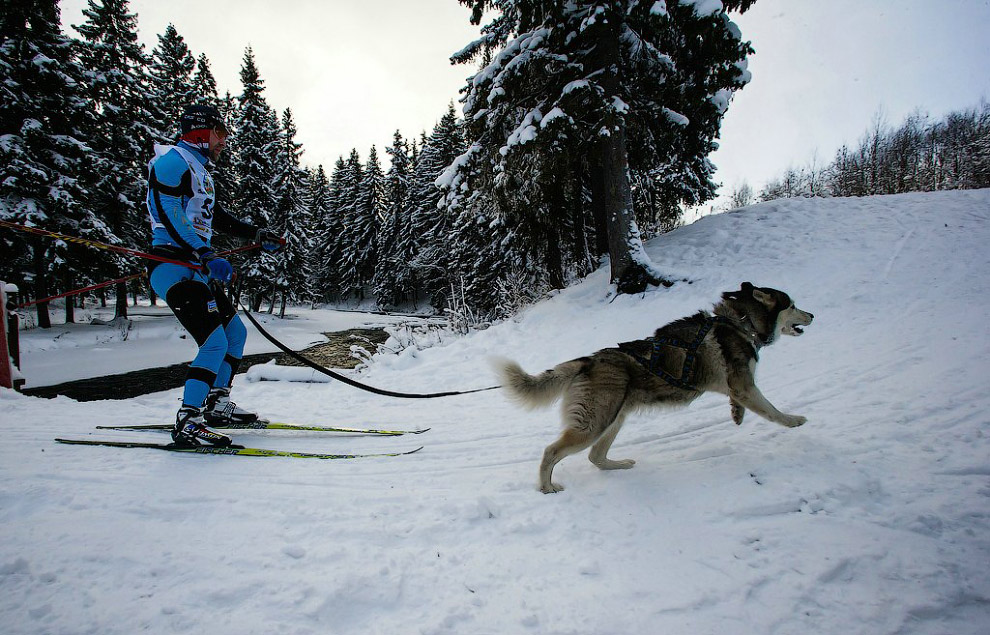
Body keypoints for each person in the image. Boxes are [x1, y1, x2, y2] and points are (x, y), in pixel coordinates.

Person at [145, 104, 281, 446]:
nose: (224, 141)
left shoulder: (200, 170)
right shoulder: (172, 161)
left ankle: (216, 404)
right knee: (214, 341)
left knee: (234, 334)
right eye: (219, 133)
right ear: (199, 131)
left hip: (195, 266)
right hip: (173, 265)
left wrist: (256, 234)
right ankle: (188, 420)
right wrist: (203, 252)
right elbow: (169, 212)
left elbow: (215, 216)